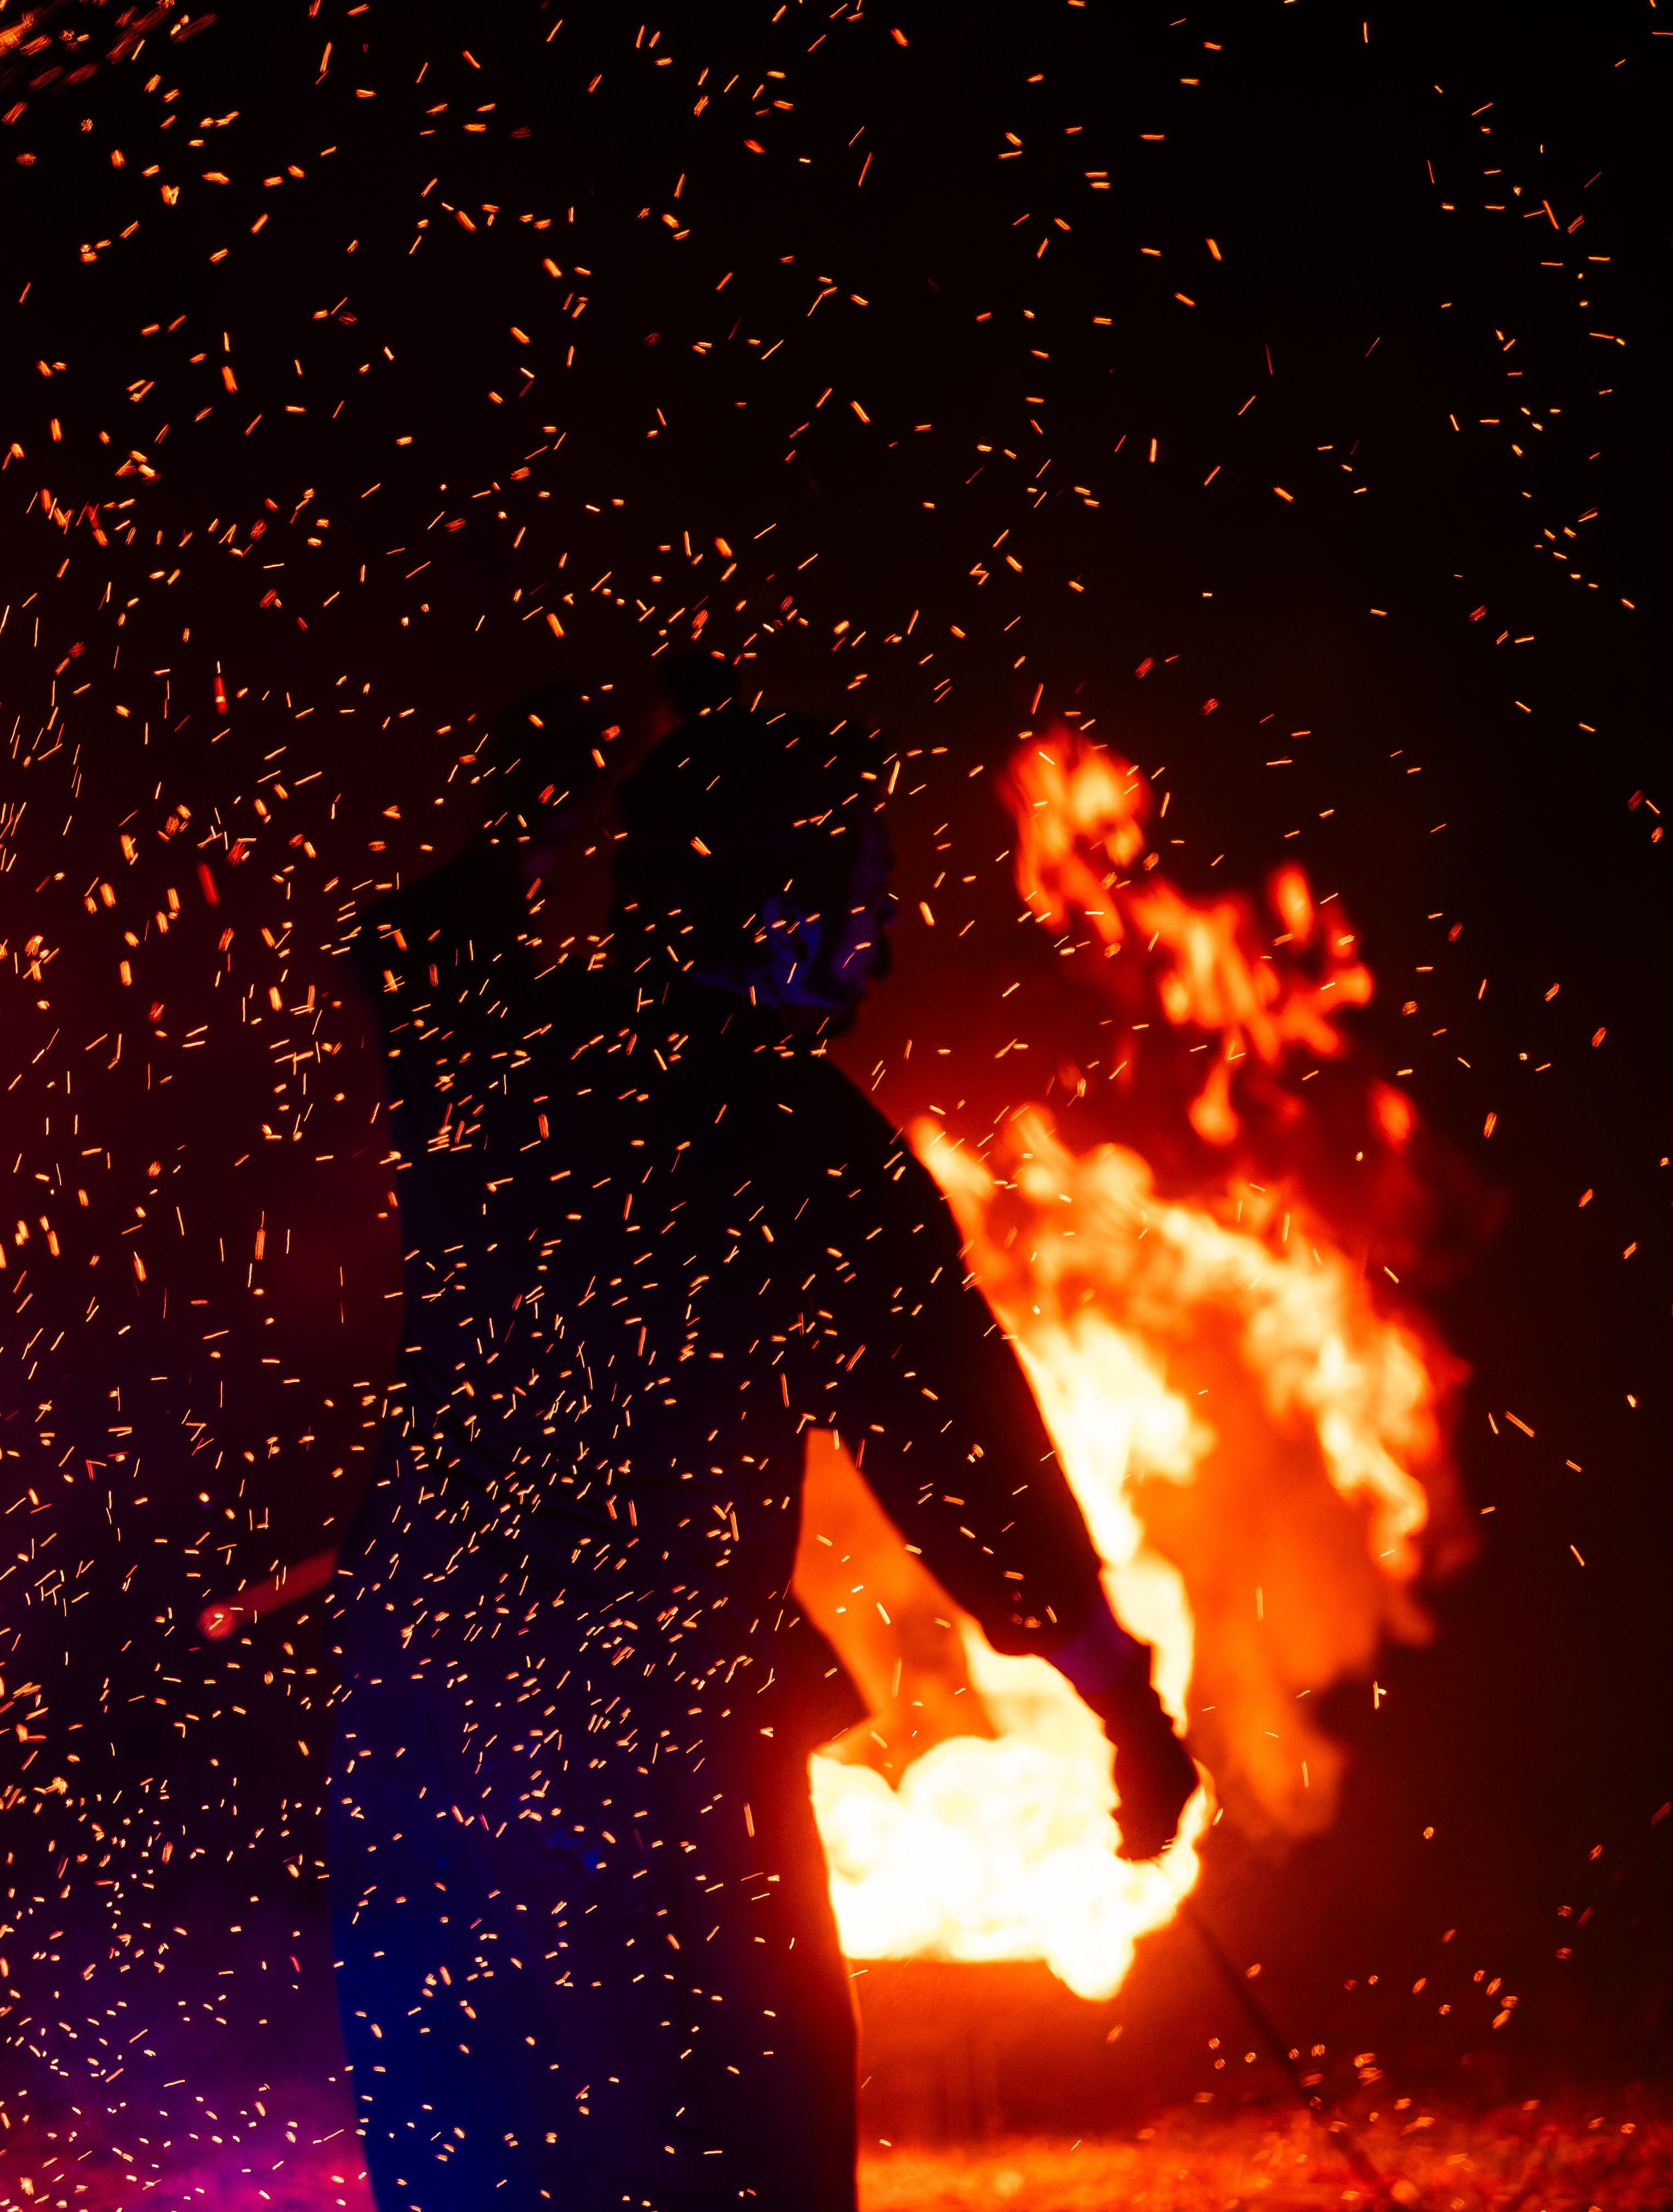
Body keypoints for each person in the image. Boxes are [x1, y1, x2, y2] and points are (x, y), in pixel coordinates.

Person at [326, 658, 1198, 2210]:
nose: (881, 940)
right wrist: (1121, 1699)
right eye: (857, 891)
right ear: (774, 906)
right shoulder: (790, 1140)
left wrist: (558, 767)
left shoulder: (497, 1058)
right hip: (666, 1809)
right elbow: (967, 1457)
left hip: (420, 1769)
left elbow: (423, 932)